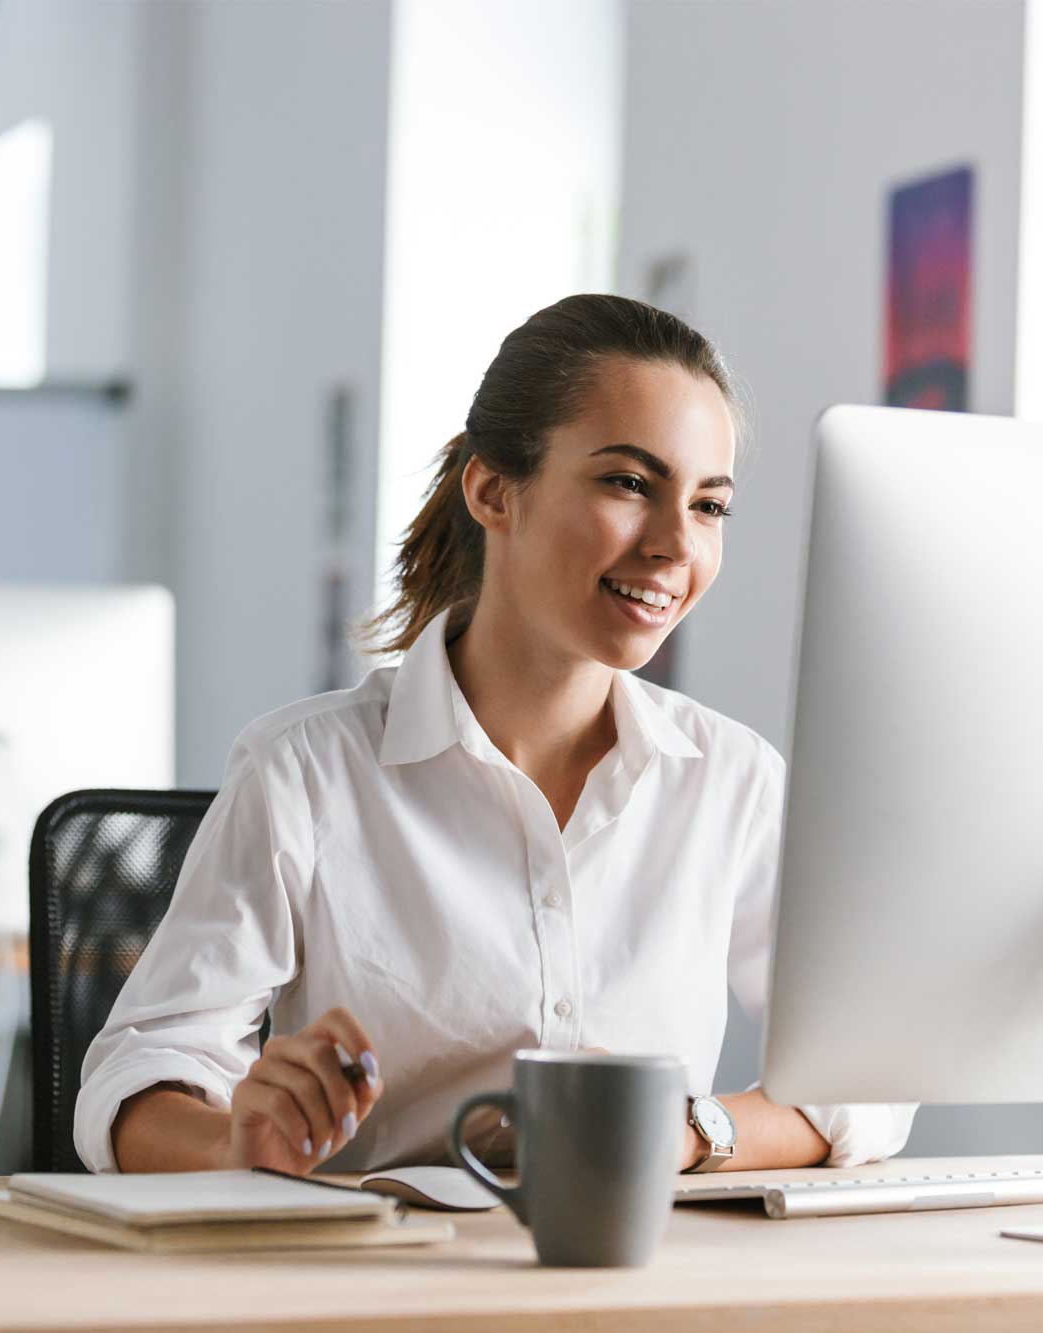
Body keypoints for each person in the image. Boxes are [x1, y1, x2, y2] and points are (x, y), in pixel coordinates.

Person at [76, 294, 916, 1177]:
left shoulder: (730, 780)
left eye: (709, 506)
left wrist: (684, 1133)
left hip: (636, 1290)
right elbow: (136, 1079)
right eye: (630, 484)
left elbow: (869, 1078)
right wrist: (230, 1142)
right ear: (492, 490)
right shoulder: (306, 772)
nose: (675, 544)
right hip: (383, 1288)